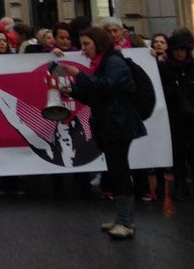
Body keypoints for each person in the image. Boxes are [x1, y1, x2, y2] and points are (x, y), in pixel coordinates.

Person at [59, 26, 146, 240]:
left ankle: (125, 222)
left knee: (120, 170)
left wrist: (80, 76)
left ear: (99, 43)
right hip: (111, 122)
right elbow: (98, 95)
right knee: (116, 170)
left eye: (87, 44)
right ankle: (121, 217)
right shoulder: (103, 63)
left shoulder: (113, 62)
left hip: (118, 123)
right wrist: (74, 91)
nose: (84, 49)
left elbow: (108, 86)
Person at [159, 33, 194, 201]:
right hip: (175, 117)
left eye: (182, 49)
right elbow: (161, 90)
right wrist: (175, 92)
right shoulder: (166, 68)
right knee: (179, 154)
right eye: (176, 50)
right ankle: (181, 186)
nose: (179, 53)